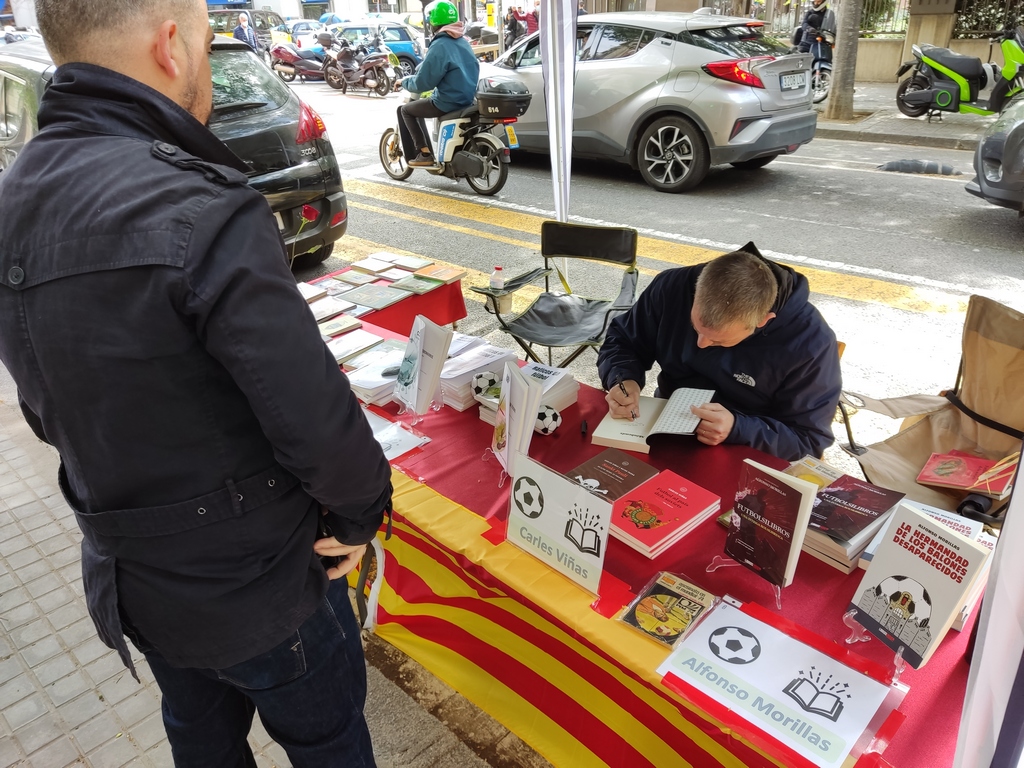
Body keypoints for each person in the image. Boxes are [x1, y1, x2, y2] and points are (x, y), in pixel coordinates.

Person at [0, 1, 393, 766]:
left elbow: (49, 411)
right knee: (330, 744)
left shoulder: (12, 201)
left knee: (201, 743)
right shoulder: (201, 205)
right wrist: (359, 513)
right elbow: (312, 416)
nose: (207, 69)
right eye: (209, 47)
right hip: (263, 582)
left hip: (138, 582)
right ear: (171, 46)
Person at [597, 246, 841, 462]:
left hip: (744, 448)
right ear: (695, 291)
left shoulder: (810, 343)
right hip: (665, 426)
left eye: (718, 340)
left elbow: (808, 439)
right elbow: (623, 340)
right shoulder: (672, 287)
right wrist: (622, 378)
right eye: (695, 328)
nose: (701, 344)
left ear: (763, 321)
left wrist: (738, 428)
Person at [395, 0, 479, 167]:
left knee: (406, 110)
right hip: (467, 99)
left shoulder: (440, 44)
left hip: (448, 102)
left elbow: (423, 83)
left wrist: (404, 82)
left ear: (432, 22)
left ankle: (424, 153)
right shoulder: (463, 41)